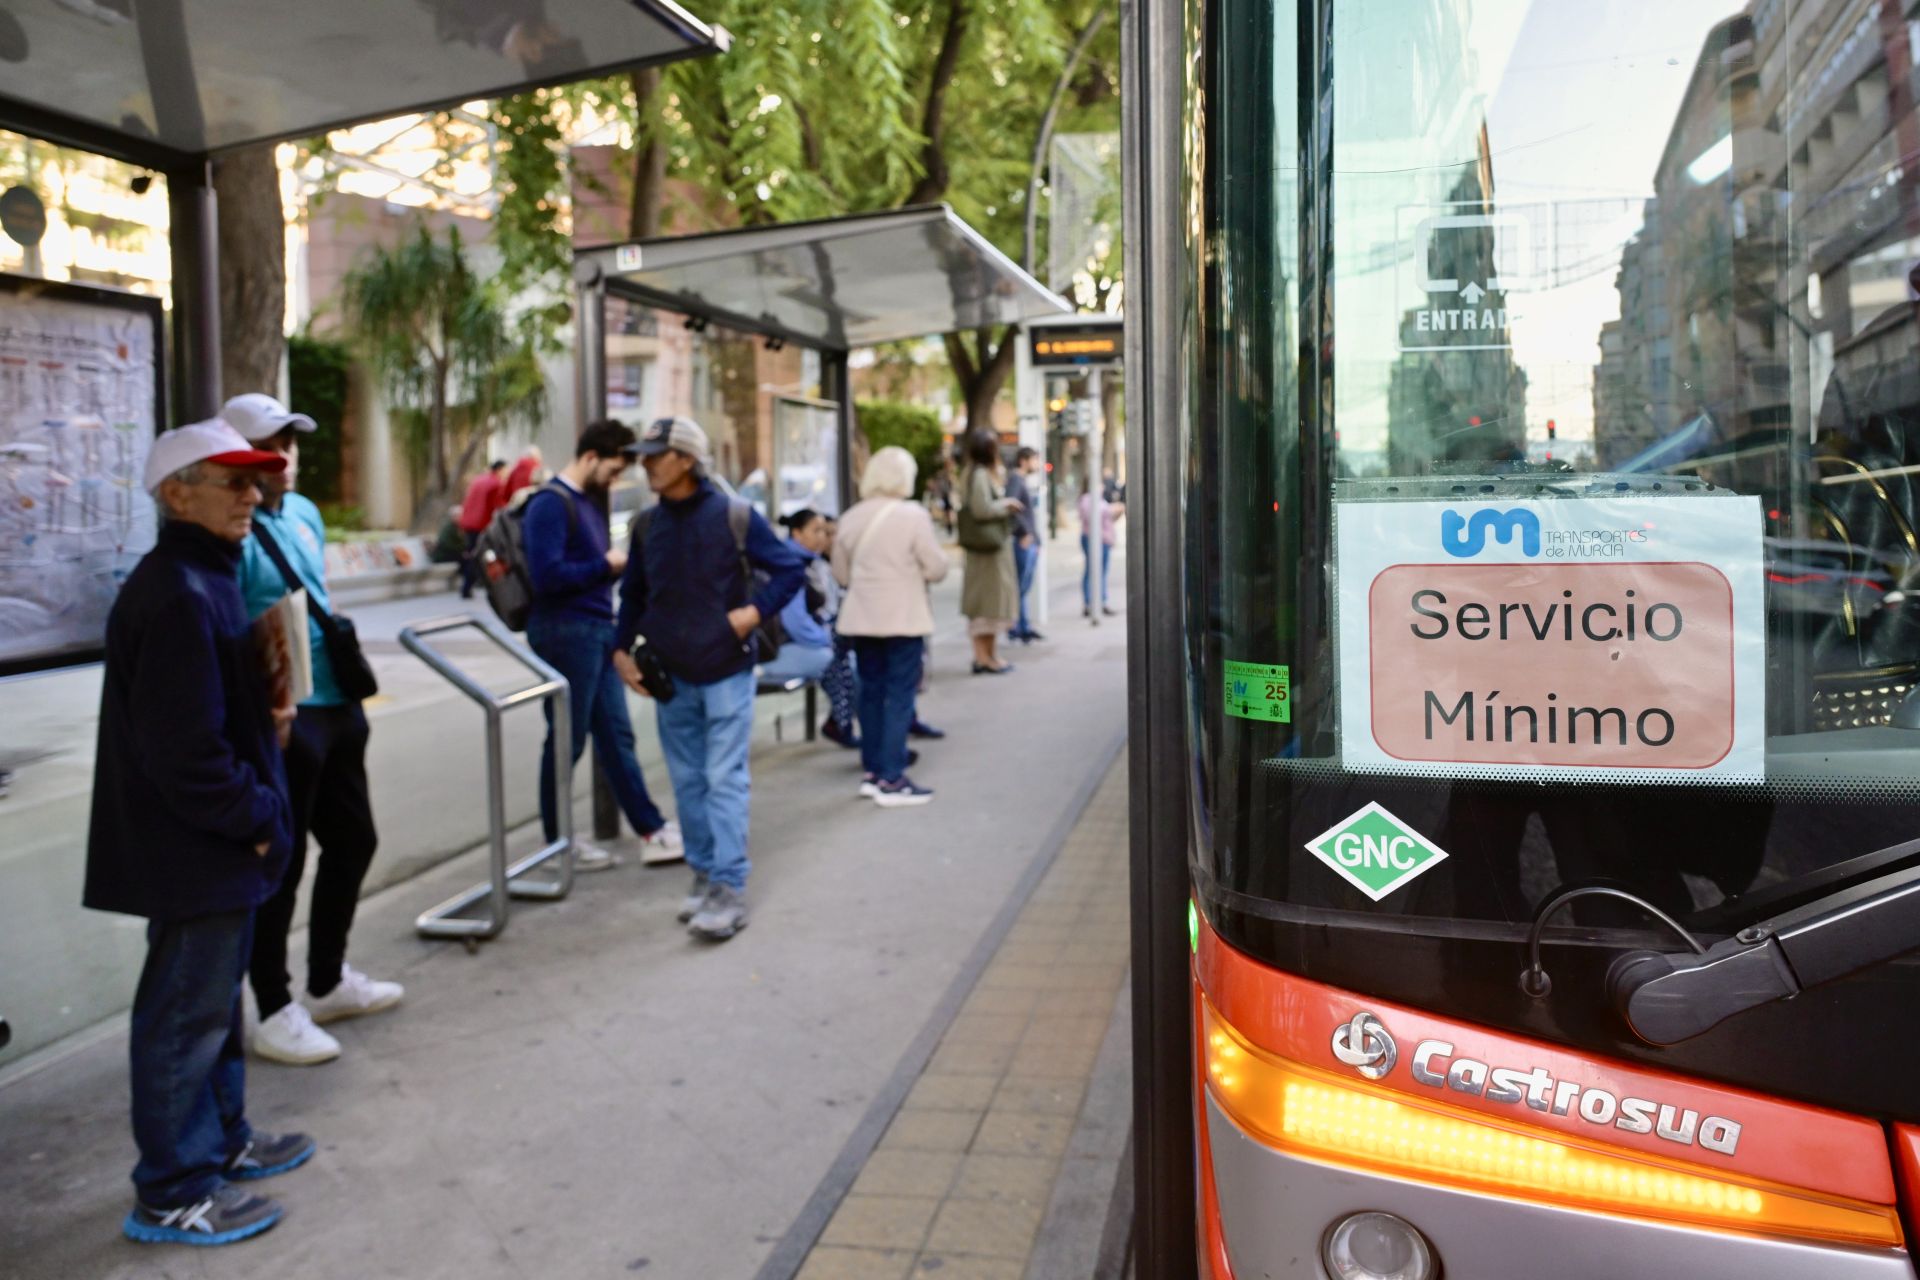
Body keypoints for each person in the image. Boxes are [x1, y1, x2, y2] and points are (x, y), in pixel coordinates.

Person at [85, 420, 312, 1247]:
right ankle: (173, 1188)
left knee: (211, 1003)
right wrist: (256, 819)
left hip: (213, 844)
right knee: (184, 1016)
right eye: (232, 482)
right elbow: (186, 755)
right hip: (198, 847)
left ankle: (220, 1143)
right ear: (178, 494)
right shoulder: (178, 590)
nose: (252, 496)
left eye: (256, 482)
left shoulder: (202, 576)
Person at [225, 393, 403, 1068]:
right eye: (271, 446)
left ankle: (326, 979)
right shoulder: (236, 531)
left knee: (355, 838)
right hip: (284, 713)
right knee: (285, 859)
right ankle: (273, 1005)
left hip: (337, 703)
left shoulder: (303, 513)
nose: (286, 458)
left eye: (290, 443)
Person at [612, 417, 806, 941]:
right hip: (670, 675)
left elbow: (792, 569)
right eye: (645, 455)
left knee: (723, 778)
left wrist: (751, 613)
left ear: (687, 460)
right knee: (689, 780)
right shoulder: (647, 526)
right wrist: (618, 651)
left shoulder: (736, 517)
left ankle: (727, 884)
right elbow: (632, 595)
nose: (647, 463)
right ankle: (703, 874)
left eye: (657, 454)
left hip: (726, 669)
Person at [524, 421, 682, 871]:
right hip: (565, 630)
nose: (615, 480)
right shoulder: (550, 505)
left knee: (616, 734)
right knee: (568, 740)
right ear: (591, 456)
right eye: (613, 469)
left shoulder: (584, 503)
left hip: (594, 629)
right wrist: (606, 565)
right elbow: (547, 576)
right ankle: (558, 843)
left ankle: (649, 827)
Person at [833, 446, 951, 805]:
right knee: (900, 694)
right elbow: (935, 567)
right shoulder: (912, 516)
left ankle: (873, 769)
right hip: (903, 617)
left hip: (861, 618)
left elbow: (840, 574)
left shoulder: (851, 517)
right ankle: (892, 777)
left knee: (870, 691)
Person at [958, 431, 1021, 674]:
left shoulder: (972, 473)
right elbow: (981, 509)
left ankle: (989, 655)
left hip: (986, 550)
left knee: (990, 605)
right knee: (987, 605)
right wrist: (1006, 505)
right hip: (987, 551)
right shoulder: (981, 474)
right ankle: (984, 657)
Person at [1006, 446, 1044, 643]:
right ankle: (1018, 627)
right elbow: (1011, 506)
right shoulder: (1015, 479)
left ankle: (1023, 625)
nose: (1037, 464)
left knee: (1024, 585)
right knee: (1020, 586)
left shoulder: (1020, 480)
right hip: (1023, 541)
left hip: (1029, 540)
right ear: (1023, 460)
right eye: (1034, 460)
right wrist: (1025, 532)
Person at [455, 459, 508, 598]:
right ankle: (468, 586)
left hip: (469, 523)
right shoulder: (495, 483)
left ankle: (468, 586)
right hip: (481, 524)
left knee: (472, 553)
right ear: (500, 469)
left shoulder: (478, 480)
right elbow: (499, 506)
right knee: (479, 556)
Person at [1080, 475, 1124, 618]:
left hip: (1104, 540)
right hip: (1093, 539)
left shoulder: (1100, 500)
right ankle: (1089, 603)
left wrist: (1116, 512)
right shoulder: (1087, 499)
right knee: (1092, 570)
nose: (1102, 487)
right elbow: (1091, 517)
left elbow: (1107, 519)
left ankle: (1102, 601)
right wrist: (1110, 510)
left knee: (1103, 571)